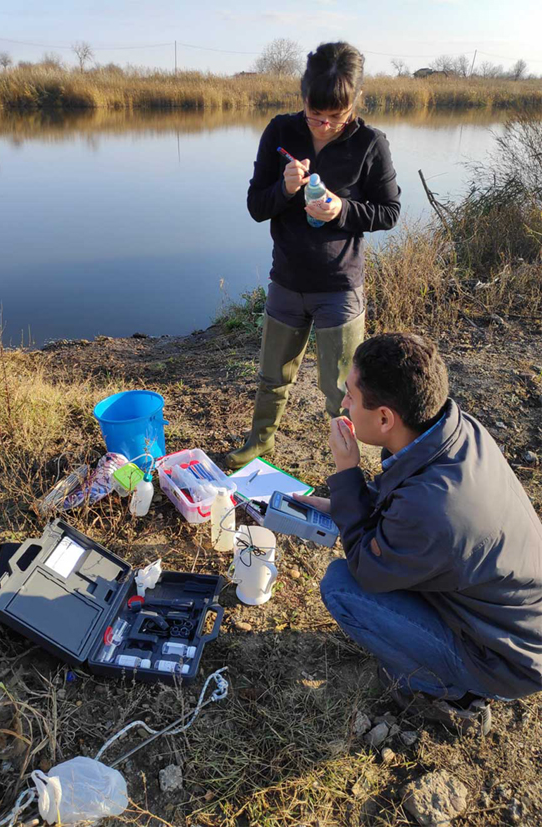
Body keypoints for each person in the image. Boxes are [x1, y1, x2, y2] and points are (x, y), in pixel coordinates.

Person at [297, 333, 542, 733]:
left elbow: (365, 568)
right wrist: (345, 503)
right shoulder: (456, 430)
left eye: (352, 397)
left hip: (505, 659)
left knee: (341, 586)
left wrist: (346, 473)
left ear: (384, 419)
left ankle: (452, 693)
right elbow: (406, 498)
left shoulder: (433, 509)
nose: (344, 404)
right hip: (519, 621)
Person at [226, 41, 400, 470]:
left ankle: (348, 467)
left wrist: (343, 210)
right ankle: (260, 442)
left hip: (339, 287)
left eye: (335, 118)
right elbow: (255, 206)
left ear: (354, 103)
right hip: (286, 280)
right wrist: (284, 189)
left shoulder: (370, 144)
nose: (323, 125)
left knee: (341, 390)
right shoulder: (280, 132)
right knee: (272, 377)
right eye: (314, 114)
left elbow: (389, 211)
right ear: (303, 97)